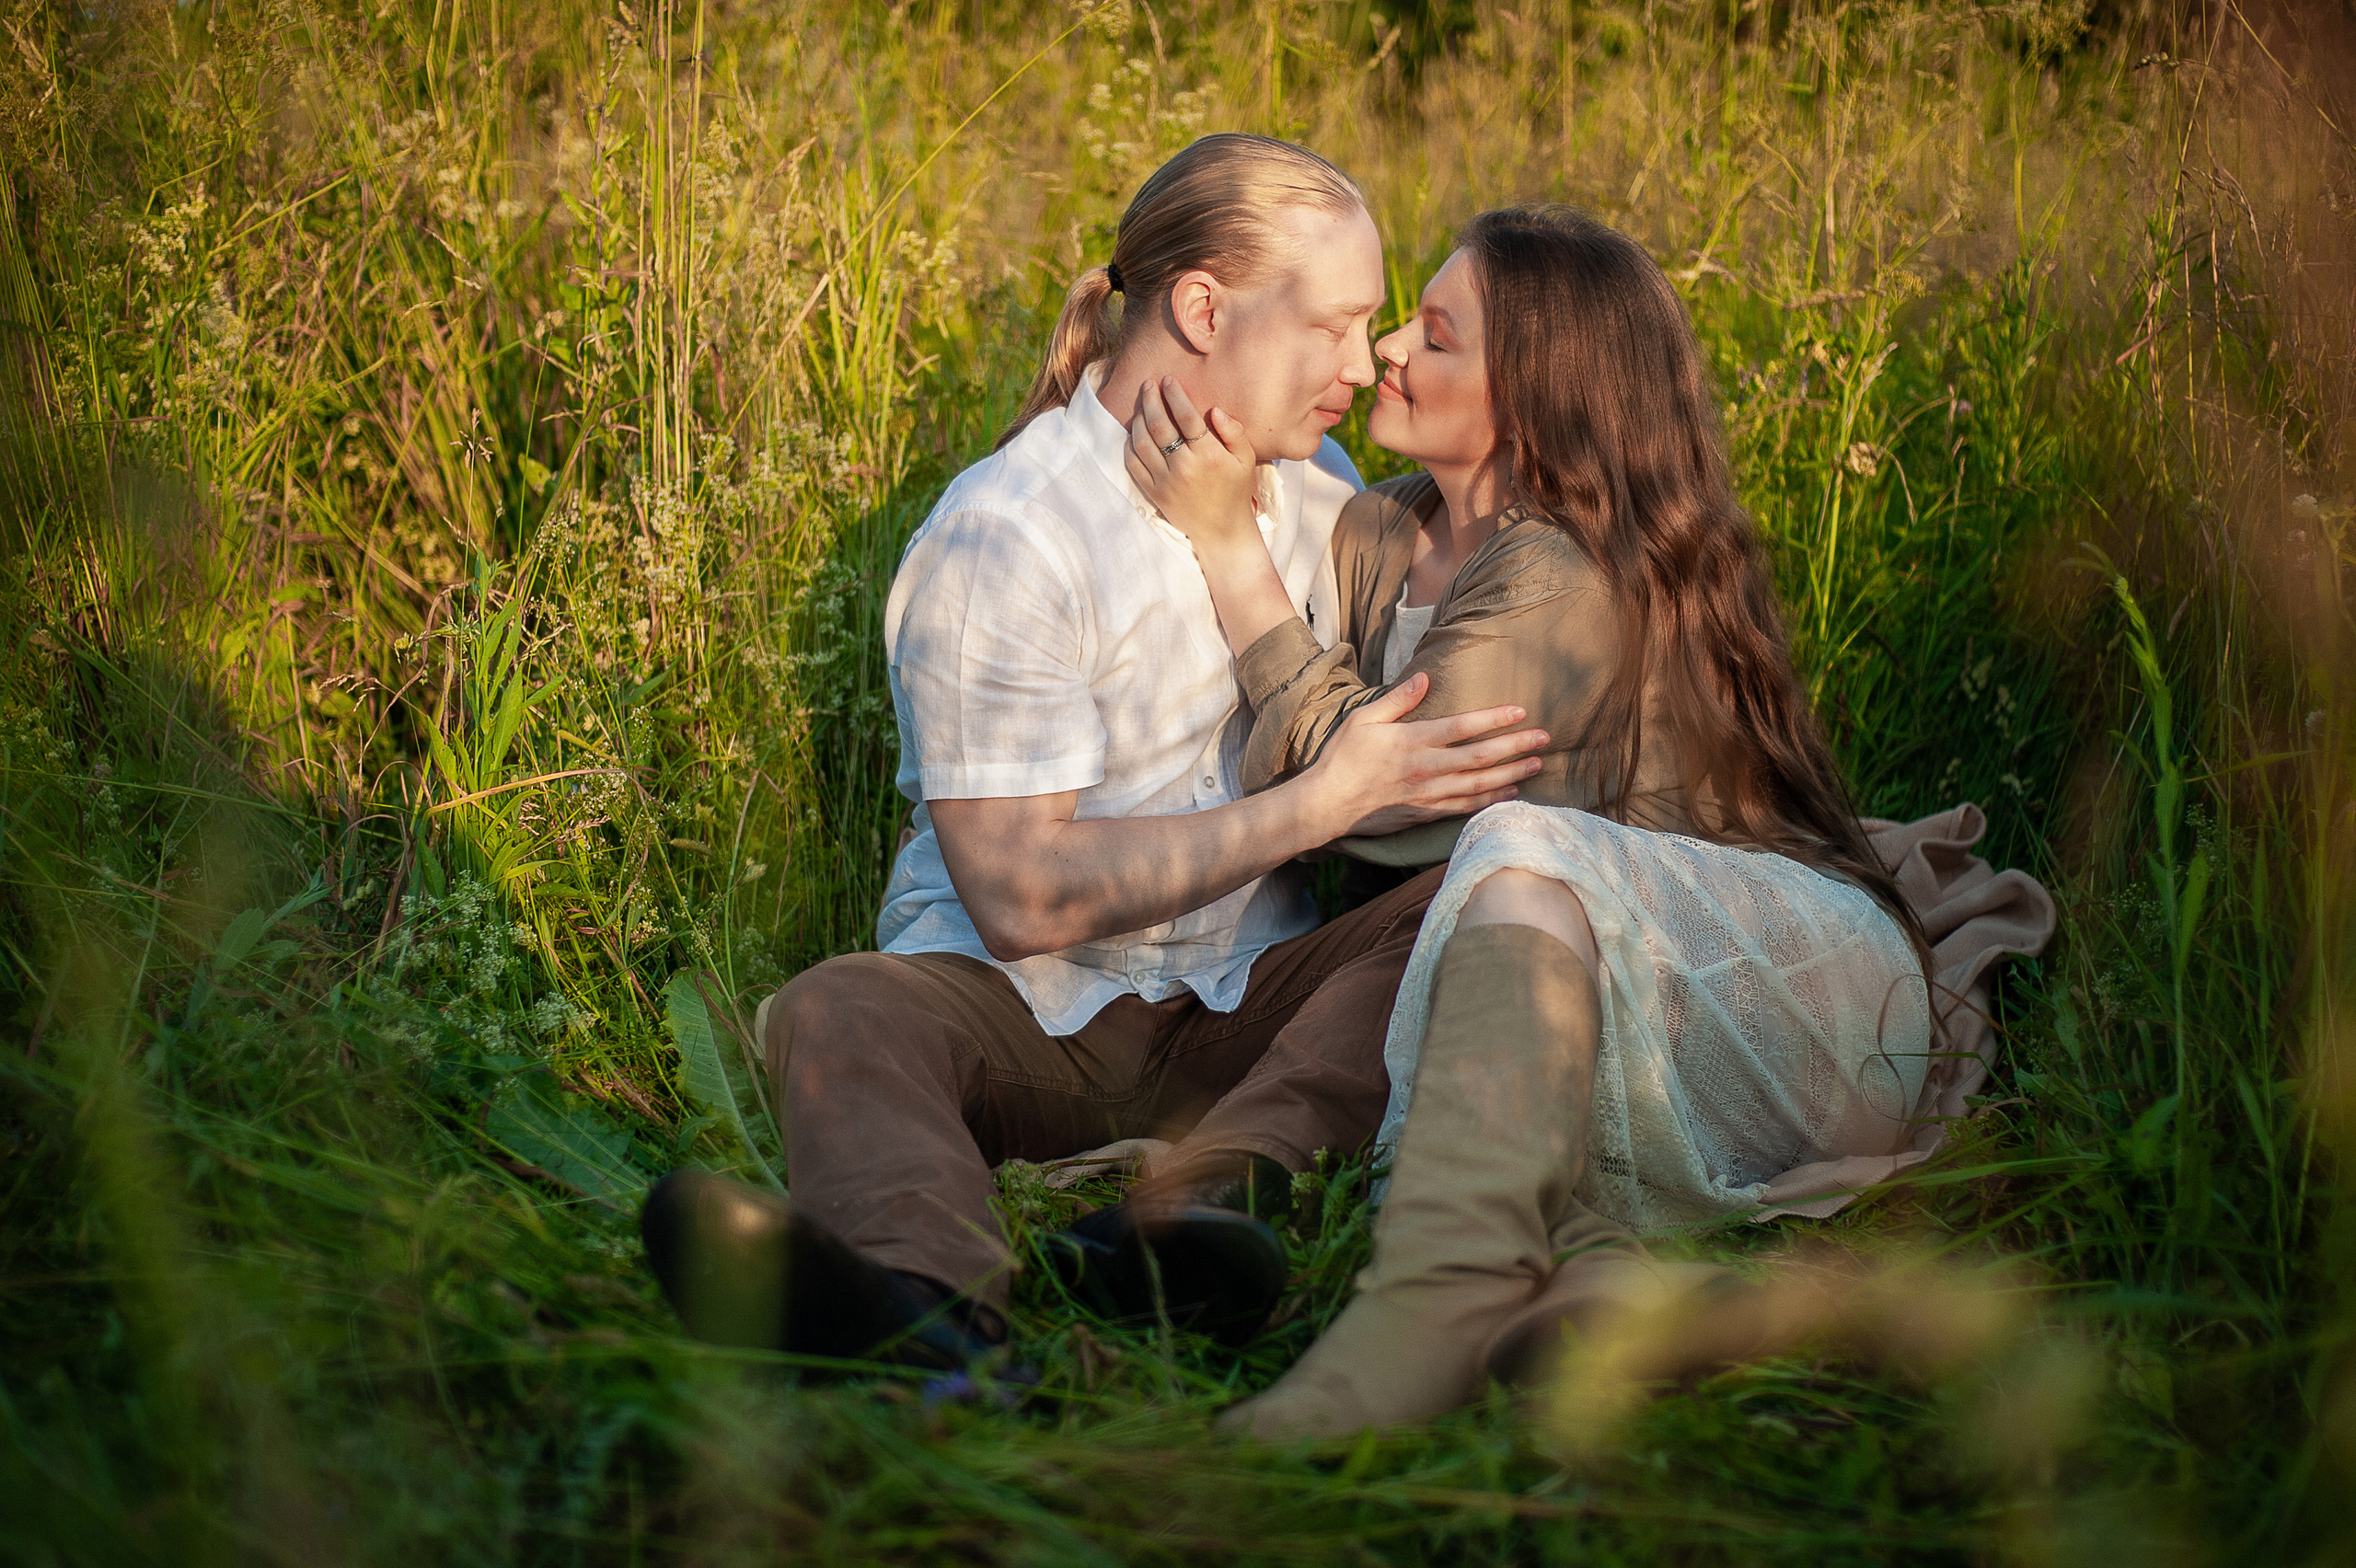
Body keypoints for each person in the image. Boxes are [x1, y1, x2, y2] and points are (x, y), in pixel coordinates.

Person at [1122, 204, 2055, 1435]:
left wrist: (1232, 558)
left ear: (1535, 400)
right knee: (1475, 937)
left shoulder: (1566, 572)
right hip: (1569, 998)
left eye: (1436, 336)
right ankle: (1608, 1298)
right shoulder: (1384, 530)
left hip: (1757, 981)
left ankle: (1430, 1314)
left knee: (1506, 849)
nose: (1388, 346)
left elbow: (1382, 801)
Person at [636, 136, 1552, 1368]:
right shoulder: (1005, 535)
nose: (1359, 362)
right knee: (835, 1006)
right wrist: (1317, 807)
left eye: (1368, 325)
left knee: (1497, 886)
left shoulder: (1323, 486)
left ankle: (1194, 1210)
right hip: (1029, 1014)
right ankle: (930, 1316)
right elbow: (1020, 899)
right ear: (1203, 309)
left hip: (1249, 1008)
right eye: (1332, 325)